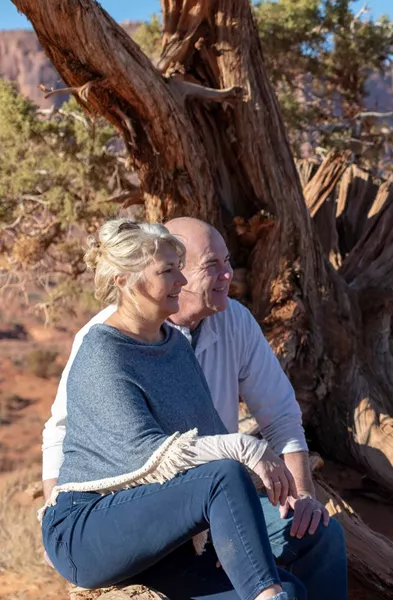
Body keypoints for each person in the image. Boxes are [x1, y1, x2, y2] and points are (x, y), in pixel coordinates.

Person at [41, 217, 347, 599]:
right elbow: (142, 453)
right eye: (171, 271)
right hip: (101, 521)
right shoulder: (102, 347)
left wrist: (279, 505)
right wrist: (244, 448)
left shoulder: (177, 343)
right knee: (224, 479)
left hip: (187, 514)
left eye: (226, 261)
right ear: (125, 280)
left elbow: (245, 425)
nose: (184, 281)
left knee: (302, 570)